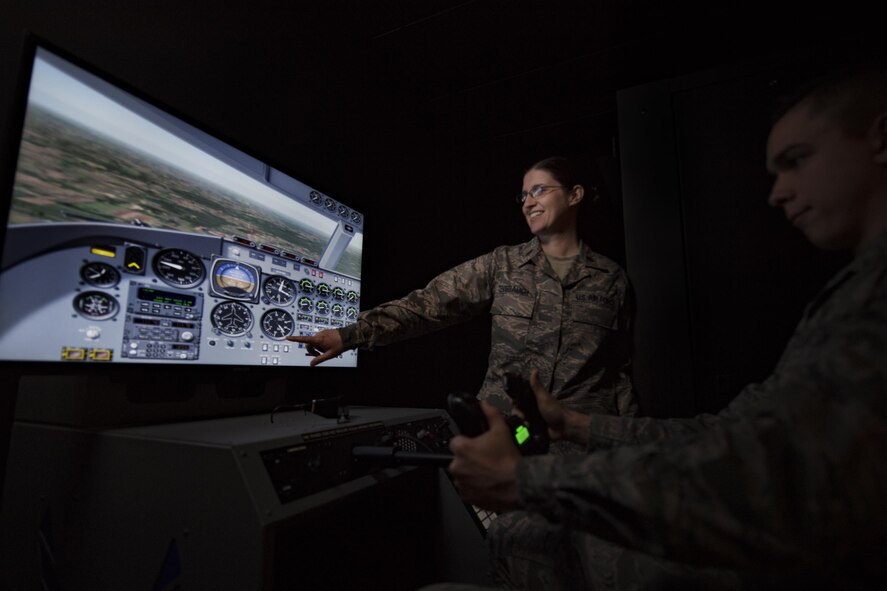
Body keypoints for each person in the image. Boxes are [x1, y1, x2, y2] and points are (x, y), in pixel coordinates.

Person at [441, 66, 887, 589]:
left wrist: (533, 480)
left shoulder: (611, 280)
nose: (778, 193)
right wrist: (576, 426)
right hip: (544, 444)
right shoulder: (855, 289)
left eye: (797, 161)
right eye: (522, 196)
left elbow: (772, 473)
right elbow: (735, 432)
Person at [287, 156, 637, 420]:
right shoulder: (502, 265)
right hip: (502, 440)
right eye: (524, 195)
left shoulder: (611, 280)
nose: (528, 202)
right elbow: (426, 306)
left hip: (580, 455)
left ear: (575, 195)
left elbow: (619, 374)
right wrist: (348, 335)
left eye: (540, 190)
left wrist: (626, 449)